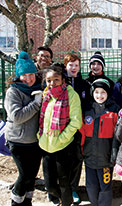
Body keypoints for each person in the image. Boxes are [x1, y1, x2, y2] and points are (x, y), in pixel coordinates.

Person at [38, 65, 82, 206]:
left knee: (64, 184)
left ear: (63, 79)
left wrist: (62, 138)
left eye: (56, 80)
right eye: (49, 80)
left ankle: (66, 203)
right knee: (50, 185)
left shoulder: (71, 95)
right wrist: (40, 136)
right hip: (46, 146)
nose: (52, 83)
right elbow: (42, 118)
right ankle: (61, 199)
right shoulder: (46, 94)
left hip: (64, 147)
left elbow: (76, 122)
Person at [4, 51, 43, 206]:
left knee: (32, 176)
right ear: (19, 76)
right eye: (24, 75)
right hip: (18, 141)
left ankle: (27, 201)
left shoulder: (39, 87)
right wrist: (35, 103)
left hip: (35, 141)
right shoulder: (13, 91)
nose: (28, 78)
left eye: (31, 74)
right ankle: (15, 201)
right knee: (25, 175)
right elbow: (17, 116)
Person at [80, 78, 119, 206]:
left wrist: (114, 153)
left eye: (103, 92)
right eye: (97, 92)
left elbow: (117, 136)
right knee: (91, 185)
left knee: (105, 186)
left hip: (105, 158)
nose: (100, 95)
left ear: (108, 94)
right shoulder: (86, 109)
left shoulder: (114, 110)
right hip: (89, 156)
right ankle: (94, 203)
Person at [63, 53, 90, 204]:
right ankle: (62, 189)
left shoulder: (84, 84)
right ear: (66, 66)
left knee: (77, 158)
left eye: (76, 65)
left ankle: (73, 188)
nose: (73, 68)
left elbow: (86, 104)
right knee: (63, 159)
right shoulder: (60, 82)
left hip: (79, 128)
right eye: (70, 65)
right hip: (62, 128)